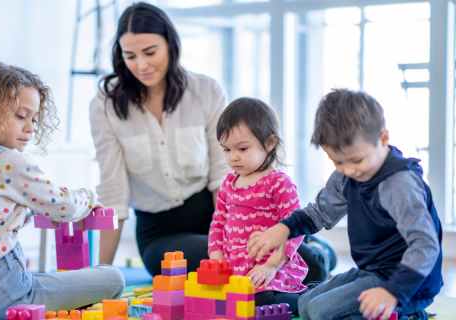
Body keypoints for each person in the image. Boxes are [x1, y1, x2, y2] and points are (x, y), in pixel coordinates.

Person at [90, 2, 335, 281]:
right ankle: (312, 249)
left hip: (222, 216)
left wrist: (236, 240)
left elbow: (224, 173)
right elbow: (113, 193)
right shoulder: (105, 105)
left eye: (150, 52)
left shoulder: (205, 91)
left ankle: (314, 248)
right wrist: (101, 276)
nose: (141, 65)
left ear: (171, 45)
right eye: (130, 56)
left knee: (301, 263)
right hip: (162, 234)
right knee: (228, 272)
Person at [0, 61, 124, 317]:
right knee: (114, 277)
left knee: (43, 277)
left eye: (34, 119)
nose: (30, 128)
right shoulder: (8, 160)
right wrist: (88, 198)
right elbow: (62, 206)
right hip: (4, 297)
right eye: (20, 116)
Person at [247, 89, 443, 320]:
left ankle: (407, 314)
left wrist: (393, 293)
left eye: (356, 160)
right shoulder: (348, 175)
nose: (349, 170)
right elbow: (320, 213)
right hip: (372, 272)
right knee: (307, 304)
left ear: (383, 139)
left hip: (408, 283)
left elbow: (425, 245)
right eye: (337, 162)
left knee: (321, 312)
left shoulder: (399, 184)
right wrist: (284, 228)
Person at [208, 98, 310, 313]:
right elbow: (218, 224)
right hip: (237, 269)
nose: (233, 157)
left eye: (242, 148)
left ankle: (312, 297)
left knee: (261, 301)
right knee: (219, 302)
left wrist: (271, 266)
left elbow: (295, 228)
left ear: (270, 143)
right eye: (226, 150)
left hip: (273, 266)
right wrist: (216, 260)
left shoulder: (279, 183)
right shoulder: (228, 184)